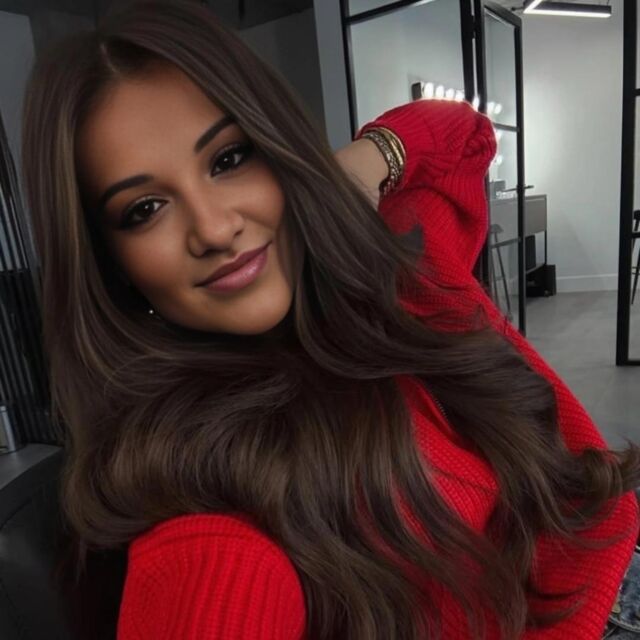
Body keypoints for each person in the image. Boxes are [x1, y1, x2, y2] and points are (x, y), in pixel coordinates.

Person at [19, 0, 640, 638]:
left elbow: (463, 133)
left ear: (278, 146)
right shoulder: (210, 501)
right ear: (112, 264)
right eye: (145, 209)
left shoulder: (399, 279)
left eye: (228, 159)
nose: (214, 228)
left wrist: (354, 170)